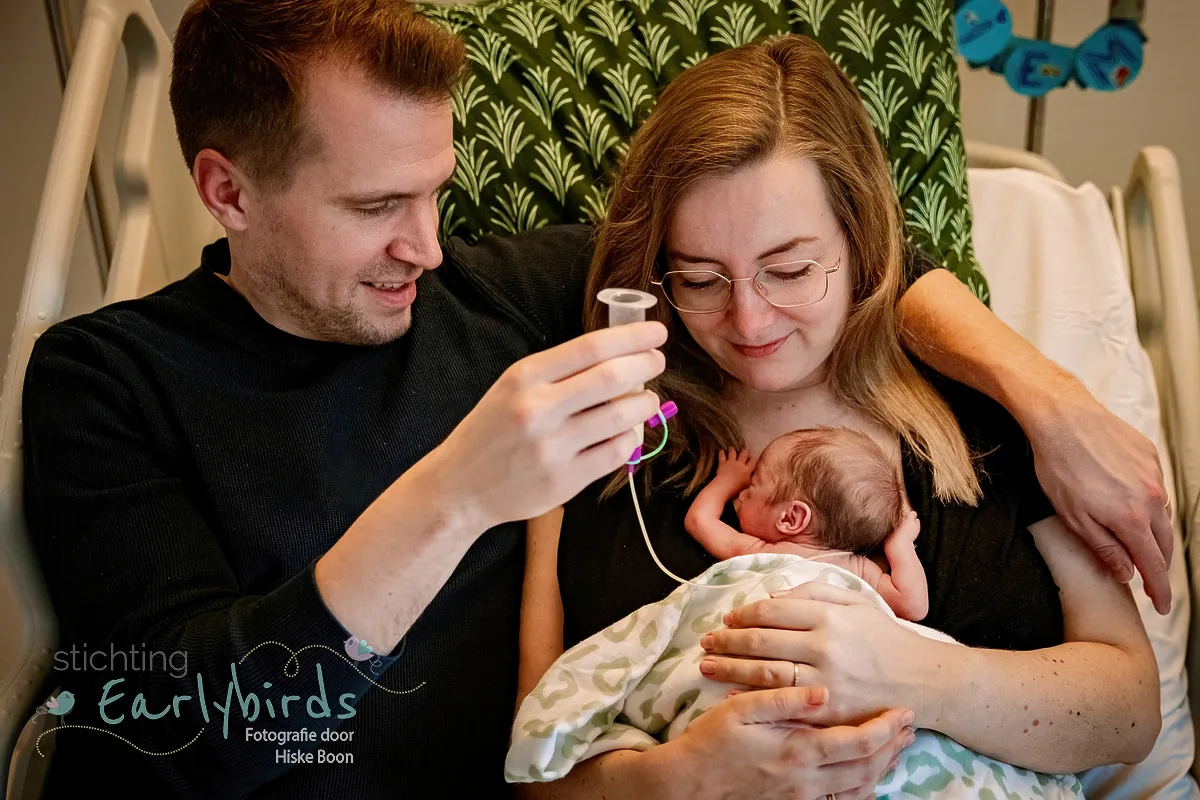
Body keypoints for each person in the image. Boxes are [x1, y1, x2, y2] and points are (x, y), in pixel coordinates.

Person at [17, 0, 1166, 796]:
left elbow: (798, 259)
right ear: (227, 190)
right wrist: (460, 493)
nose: (427, 247)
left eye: (439, 191)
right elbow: (192, 742)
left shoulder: (486, 295)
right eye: (377, 206)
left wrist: (1043, 391)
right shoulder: (105, 379)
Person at [519, 35, 1160, 800]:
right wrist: (678, 780)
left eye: (789, 270)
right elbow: (538, 772)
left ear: (861, 241)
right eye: (699, 278)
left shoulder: (982, 417)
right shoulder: (606, 439)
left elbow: (1128, 712)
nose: (749, 320)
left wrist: (918, 673)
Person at [685, 433, 927, 621]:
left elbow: (699, 520)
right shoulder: (859, 571)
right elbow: (913, 605)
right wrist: (901, 547)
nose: (743, 493)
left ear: (791, 518)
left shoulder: (764, 553)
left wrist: (726, 480)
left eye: (753, 485)